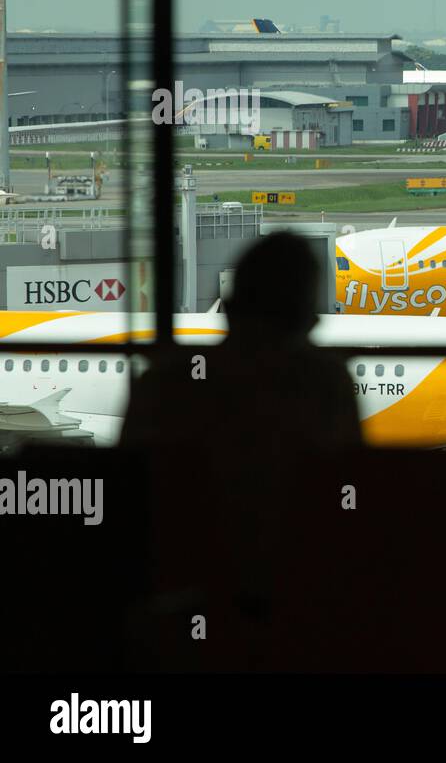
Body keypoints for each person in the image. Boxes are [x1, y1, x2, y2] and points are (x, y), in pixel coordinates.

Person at [120, 231, 364, 669]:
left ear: (232, 305)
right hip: (299, 610)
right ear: (304, 316)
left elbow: (126, 503)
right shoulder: (325, 384)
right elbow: (351, 514)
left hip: (175, 606)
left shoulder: (165, 381)